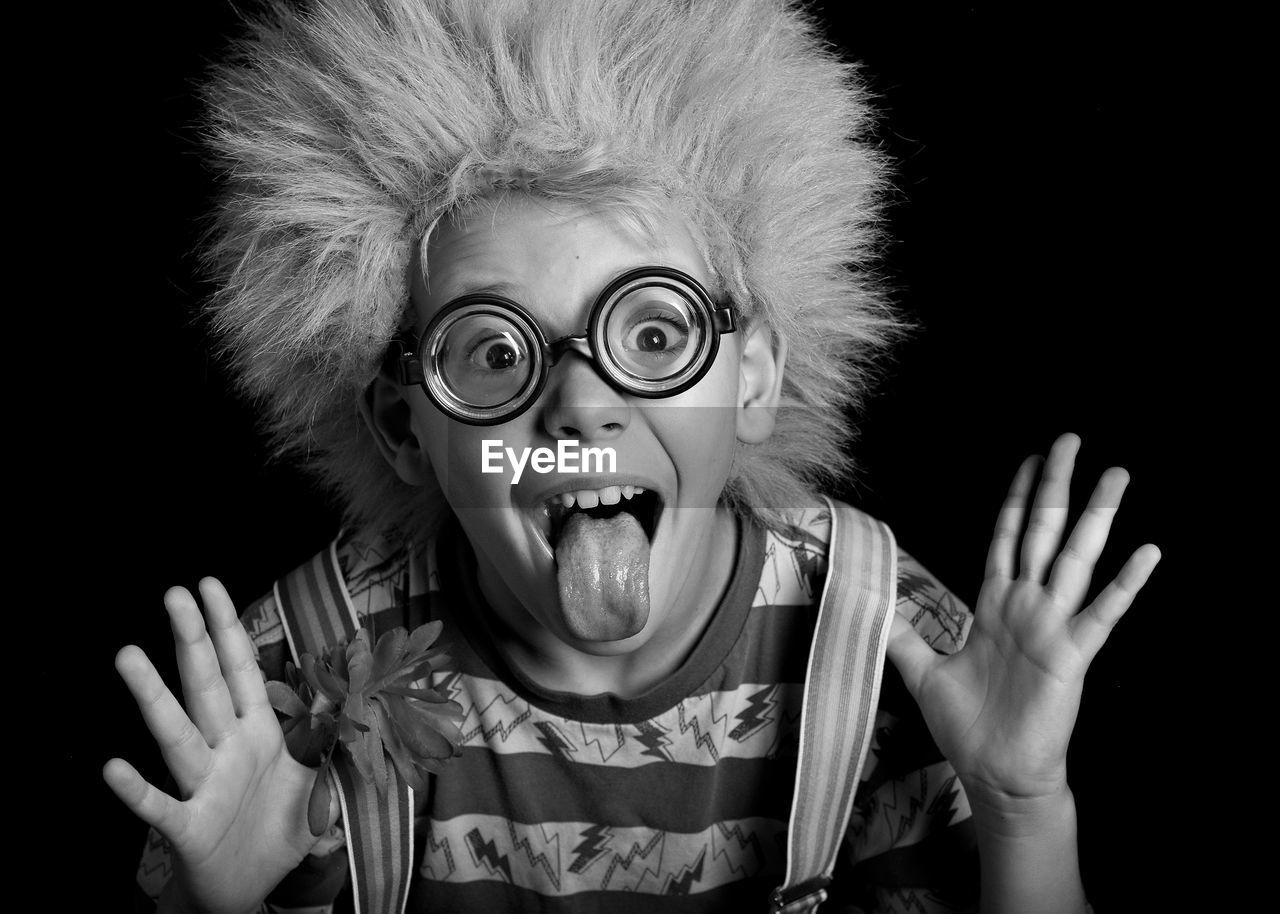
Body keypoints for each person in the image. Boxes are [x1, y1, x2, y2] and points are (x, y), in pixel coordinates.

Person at [103, 1, 1160, 911]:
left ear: (750, 378)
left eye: (652, 334)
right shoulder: (291, 688)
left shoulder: (889, 646)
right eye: (493, 351)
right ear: (401, 425)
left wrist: (1023, 807)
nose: (579, 407)